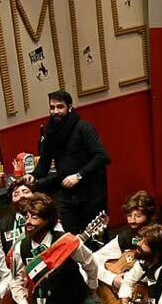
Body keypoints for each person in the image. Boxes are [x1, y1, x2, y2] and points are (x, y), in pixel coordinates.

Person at [32, 90, 111, 234]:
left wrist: (78, 176)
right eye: (52, 107)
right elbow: (43, 164)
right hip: (67, 196)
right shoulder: (51, 132)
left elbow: (102, 157)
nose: (55, 111)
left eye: (60, 107)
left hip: (90, 193)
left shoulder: (83, 128)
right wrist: (33, 176)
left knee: (93, 238)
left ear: (69, 107)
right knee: (69, 238)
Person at [93, 190, 157, 294]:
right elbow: (94, 259)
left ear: (149, 215)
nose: (132, 220)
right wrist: (112, 279)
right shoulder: (126, 236)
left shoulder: (160, 236)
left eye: (138, 216)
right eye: (129, 216)